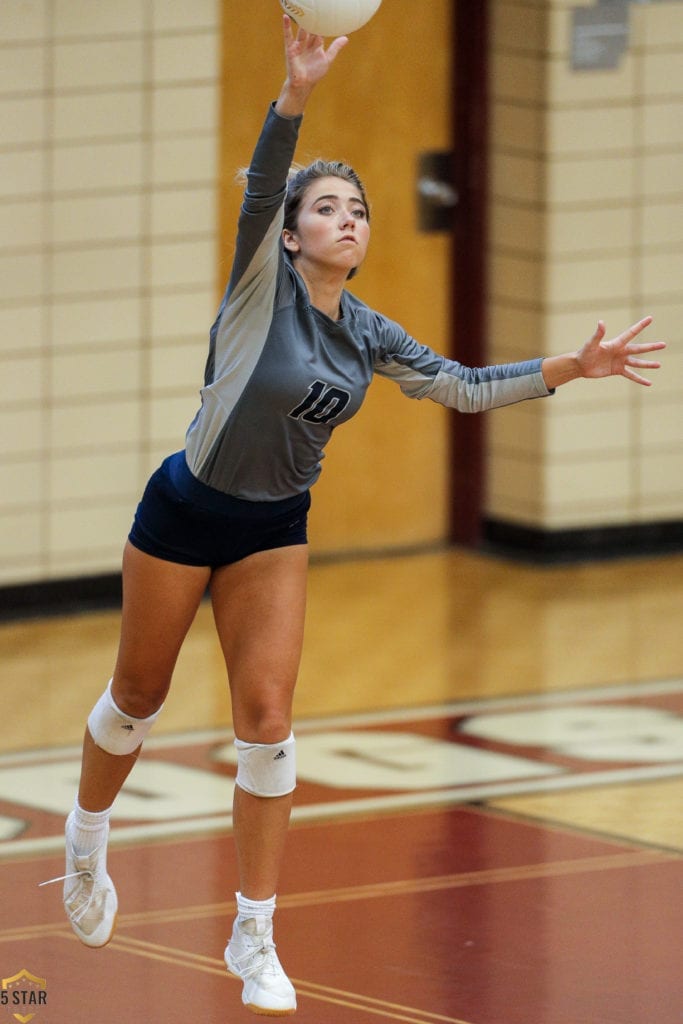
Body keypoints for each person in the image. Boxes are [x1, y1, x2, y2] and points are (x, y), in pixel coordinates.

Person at [43, 16, 665, 1018]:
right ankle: (83, 839)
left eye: (358, 209)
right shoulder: (261, 284)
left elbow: (460, 388)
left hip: (271, 530)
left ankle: (254, 930)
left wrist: (571, 368)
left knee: (271, 725)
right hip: (183, 508)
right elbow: (263, 176)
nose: (346, 218)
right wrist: (294, 93)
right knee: (135, 699)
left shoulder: (367, 331)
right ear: (290, 234)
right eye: (325, 207)